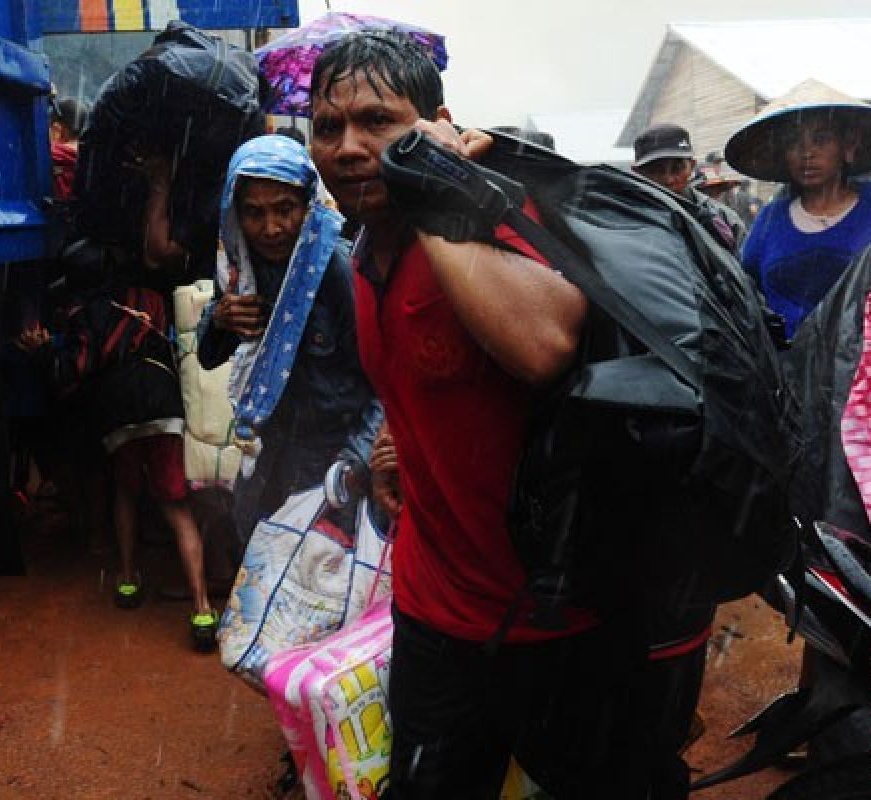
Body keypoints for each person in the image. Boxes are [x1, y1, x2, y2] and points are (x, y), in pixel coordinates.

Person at [310, 31, 697, 799]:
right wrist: (401, 455)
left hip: (558, 624)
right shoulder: (360, 252)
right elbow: (424, 381)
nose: (349, 147)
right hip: (432, 612)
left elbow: (545, 343)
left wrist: (438, 193)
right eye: (327, 127)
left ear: (440, 124)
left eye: (379, 122)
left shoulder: (488, 221)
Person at [17, 264, 218, 651]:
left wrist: (42, 354)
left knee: (125, 494)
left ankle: (127, 580)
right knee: (176, 507)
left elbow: (72, 374)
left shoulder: (86, 315)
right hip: (163, 399)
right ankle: (202, 609)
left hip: (120, 408)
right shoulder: (152, 300)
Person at [196, 134, 382, 543]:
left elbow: (386, 386)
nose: (271, 228)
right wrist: (220, 319)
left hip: (331, 467)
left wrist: (355, 463)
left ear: (308, 207)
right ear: (235, 214)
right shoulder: (238, 270)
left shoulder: (337, 271)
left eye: (285, 209)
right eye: (254, 213)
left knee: (316, 589)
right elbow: (208, 357)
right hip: (264, 460)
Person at [726, 79, 871, 338]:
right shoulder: (770, 221)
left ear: (848, 147)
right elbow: (746, 292)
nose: (807, 153)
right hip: (787, 370)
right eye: (794, 143)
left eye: (820, 140)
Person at [632, 123, 745, 252]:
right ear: (637, 172)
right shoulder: (623, 218)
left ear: (691, 166)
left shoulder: (722, 219)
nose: (668, 179)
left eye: (677, 168)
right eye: (655, 170)